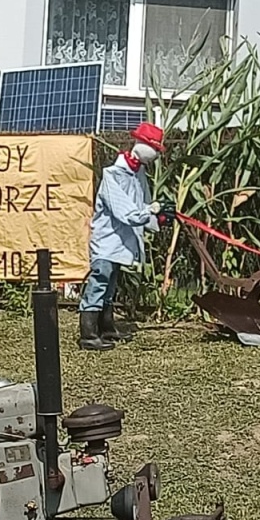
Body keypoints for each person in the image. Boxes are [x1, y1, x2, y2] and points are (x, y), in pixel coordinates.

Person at [80, 122, 169, 351]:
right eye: (154, 149)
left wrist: (156, 219)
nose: (156, 155)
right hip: (108, 238)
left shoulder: (138, 173)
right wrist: (149, 212)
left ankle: (107, 327)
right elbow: (125, 211)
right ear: (141, 144)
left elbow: (143, 201)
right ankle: (88, 333)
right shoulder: (112, 175)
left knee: (111, 283)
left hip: (121, 241)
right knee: (100, 278)